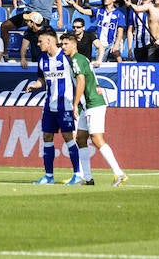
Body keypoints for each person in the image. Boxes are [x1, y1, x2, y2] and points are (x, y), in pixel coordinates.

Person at [62, 32, 127, 188]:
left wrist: (75, 104)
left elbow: (81, 81)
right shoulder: (80, 59)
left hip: (93, 103)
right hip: (87, 105)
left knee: (96, 139)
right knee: (81, 138)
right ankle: (87, 177)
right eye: (61, 44)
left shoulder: (76, 60)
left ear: (73, 45)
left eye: (65, 44)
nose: (63, 47)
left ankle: (119, 173)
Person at [26, 26, 81, 185]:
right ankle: (49, 176)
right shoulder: (42, 59)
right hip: (49, 105)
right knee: (47, 137)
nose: (38, 44)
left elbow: (79, 77)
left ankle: (77, 174)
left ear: (49, 41)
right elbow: (42, 79)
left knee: (68, 137)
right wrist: (35, 85)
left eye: (40, 41)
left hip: (66, 105)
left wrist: (77, 103)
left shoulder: (66, 57)